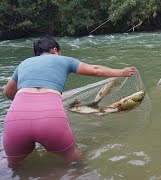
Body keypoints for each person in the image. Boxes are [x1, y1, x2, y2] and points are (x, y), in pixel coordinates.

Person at [2, 37, 137, 168]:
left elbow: (7, 92)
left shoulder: (24, 63)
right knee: (75, 162)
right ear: (55, 50)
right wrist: (121, 72)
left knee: (14, 167)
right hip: (50, 118)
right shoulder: (63, 60)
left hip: (15, 119)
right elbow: (96, 70)